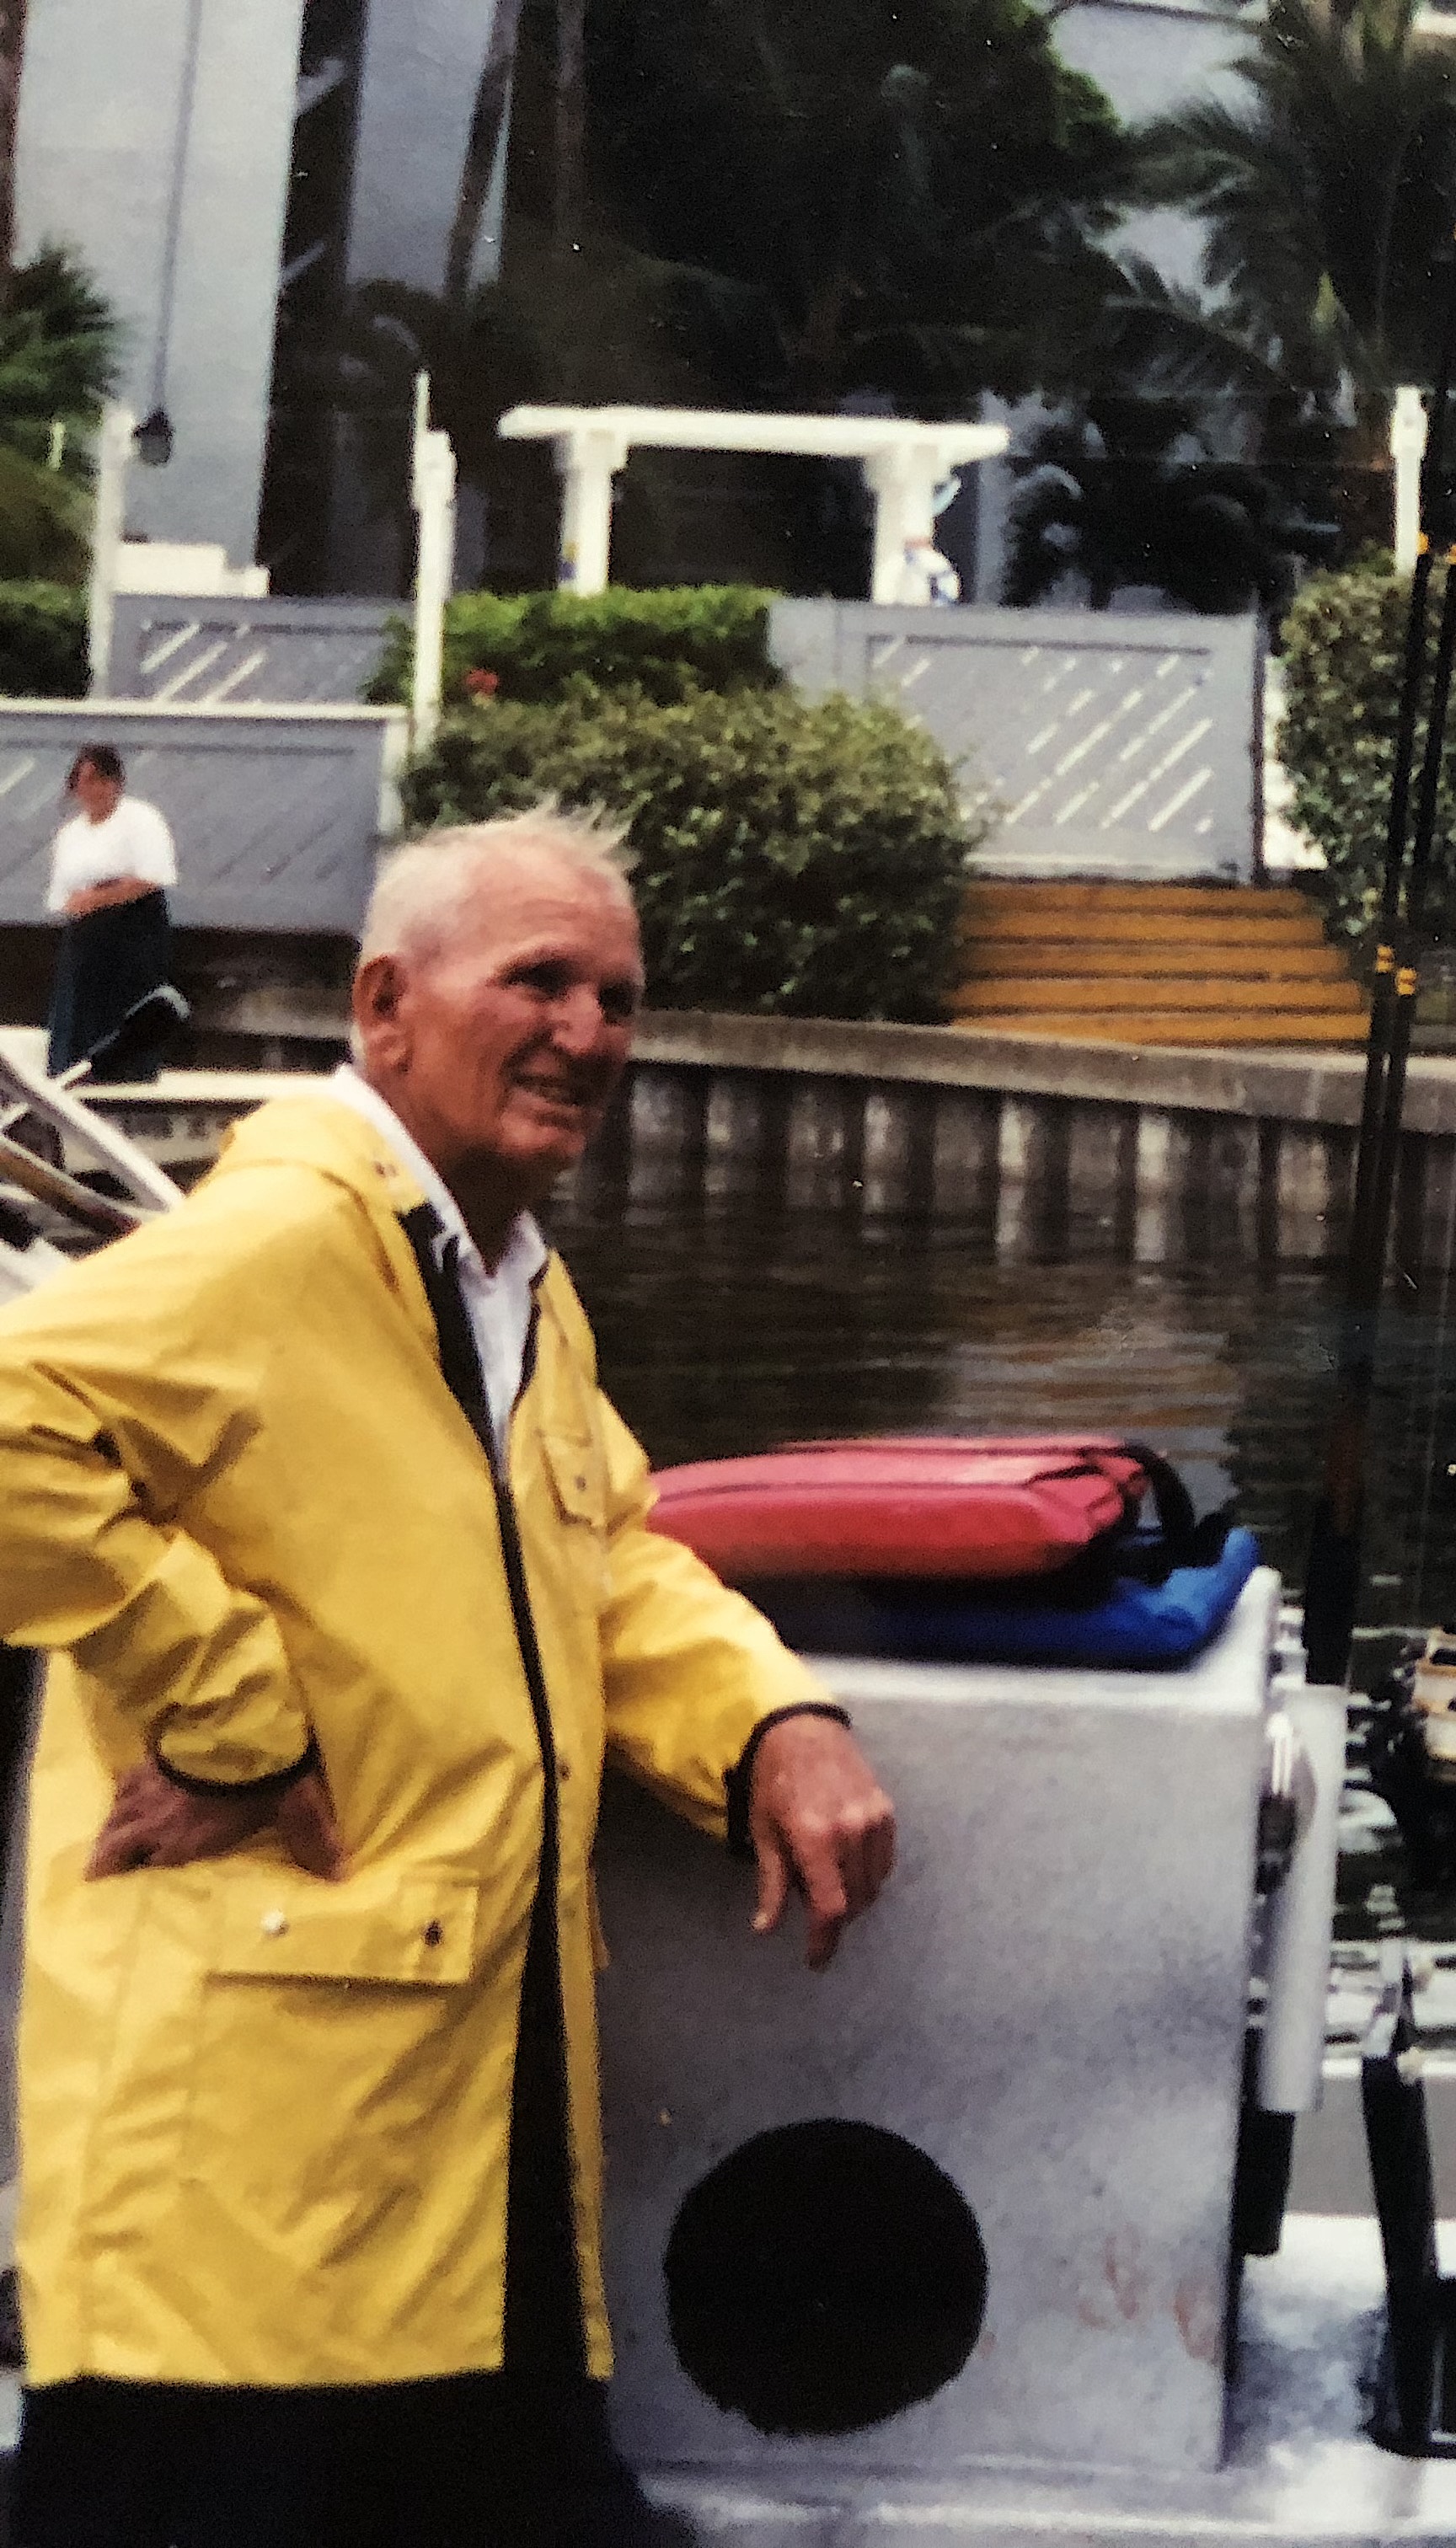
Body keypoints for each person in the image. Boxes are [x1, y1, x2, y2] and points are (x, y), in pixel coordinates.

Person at [0, 811, 901, 2545]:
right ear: (385, 1006)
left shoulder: (509, 1287)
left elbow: (605, 1560)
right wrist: (235, 1714)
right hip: (238, 2218)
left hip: (459, 2177)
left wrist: (769, 1722)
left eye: (621, 1000)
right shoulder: (283, 1245)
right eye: (540, 981)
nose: (588, 1033)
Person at [42, 745, 179, 1080]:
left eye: (97, 780)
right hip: (87, 935)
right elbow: (61, 894)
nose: (89, 789)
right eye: (81, 781)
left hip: (134, 928)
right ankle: (73, 1077)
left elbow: (152, 877)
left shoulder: (141, 819)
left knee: (130, 1006)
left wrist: (100, 898)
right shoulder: (70, 834)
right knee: (78, 1011)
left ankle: (132, 1079)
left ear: (114, 782)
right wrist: (78, 904)